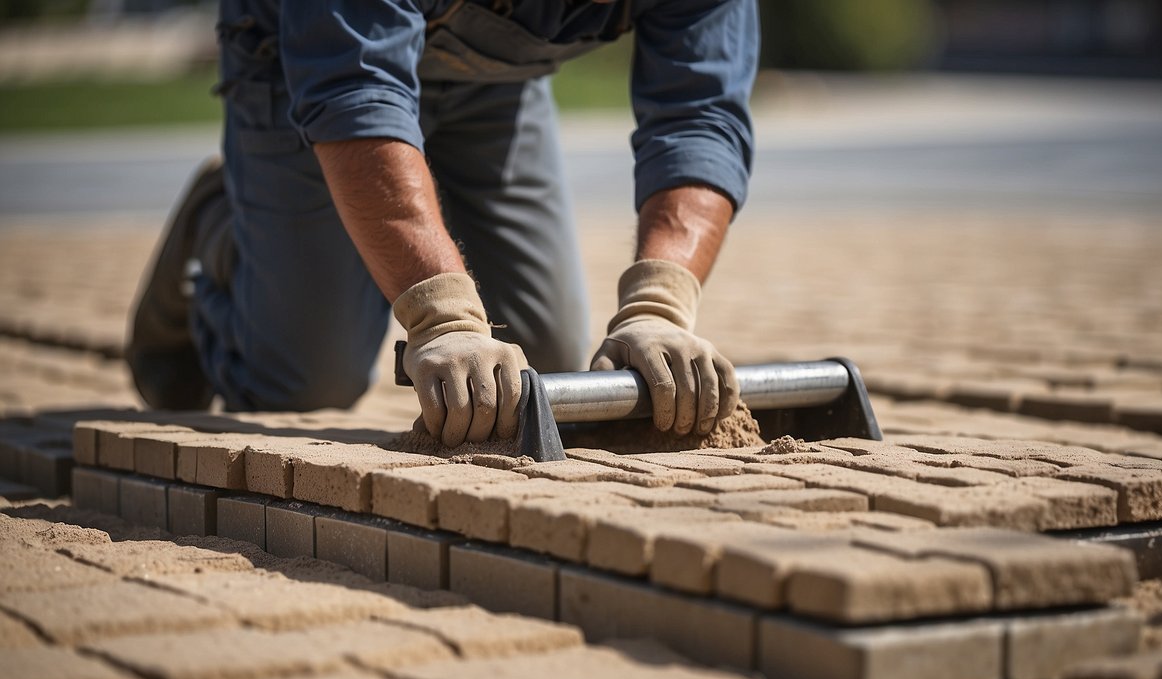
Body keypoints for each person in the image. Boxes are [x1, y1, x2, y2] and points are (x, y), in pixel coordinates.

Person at [128, 0, 757, 447]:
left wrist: (659, 304)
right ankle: (222, 219)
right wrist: (443, 316)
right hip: (312, 58)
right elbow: (355, 92)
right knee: (307, 382)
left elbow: (700, 118)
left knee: (539, 375)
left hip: (497, 83)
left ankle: (407, 208)